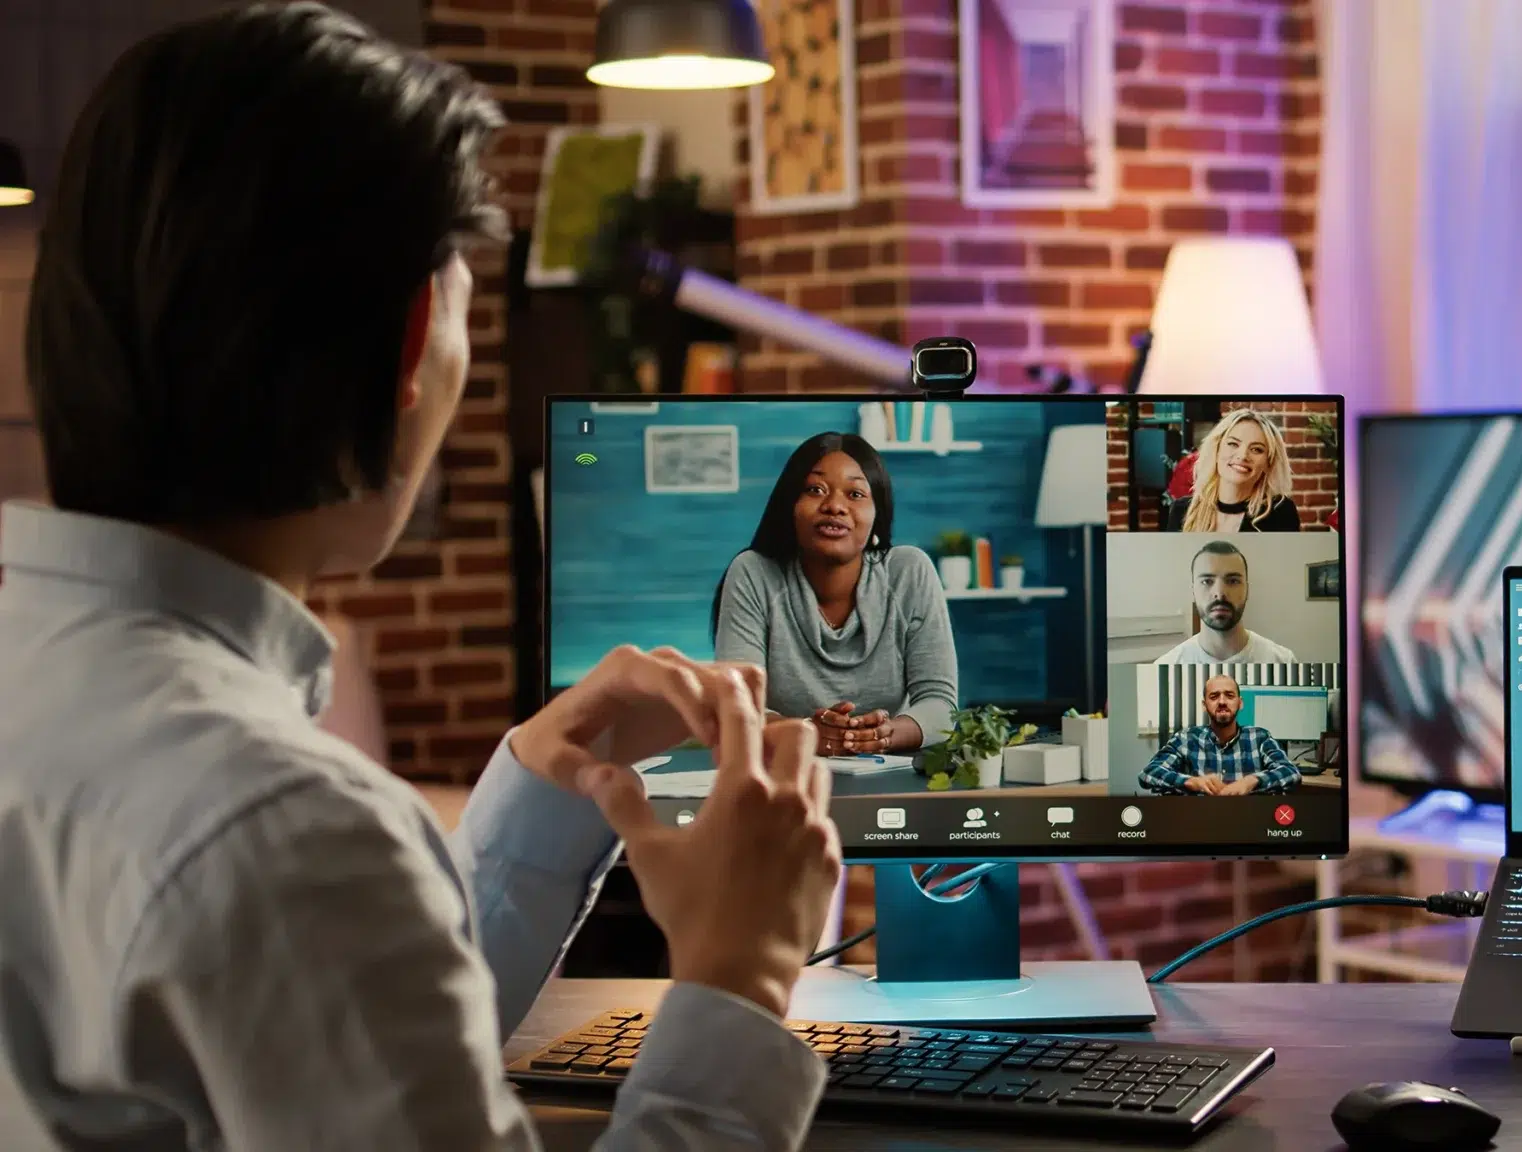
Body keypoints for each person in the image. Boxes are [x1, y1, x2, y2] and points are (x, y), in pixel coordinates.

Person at [0, 5, 840, 1149]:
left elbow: (335, 1062)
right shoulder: (286, 826)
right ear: (412, 346)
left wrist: (537, 808)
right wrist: (743, 972)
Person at [713, 431, 960, 756]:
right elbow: (736, 709)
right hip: (784, 778)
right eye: (815, 490)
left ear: (877, 515)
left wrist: (882, 735)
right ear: (791, 506)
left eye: (856, 493)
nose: (834, 506)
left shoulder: (908, 572)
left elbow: (940, 705)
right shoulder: (754, 572)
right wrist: (804, 735)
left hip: (887, 780)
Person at [1138, 674, 1301, 795]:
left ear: (1240, 702)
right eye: (1214, 696)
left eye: (1229, 695)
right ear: (1204, 705)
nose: (1222, 701)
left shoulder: (1260, 737)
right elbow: (1149, 773)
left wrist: (1251, 781)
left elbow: (1291, 772)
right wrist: (1191, 782)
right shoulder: (1186, 739)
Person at [1155, 540, 1299, 663]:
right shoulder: (1167, 665)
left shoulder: (1283, 661)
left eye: (1233, 581)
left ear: (1247, 589)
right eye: (1207, 581)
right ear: (1193, 591)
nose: (1220, 593)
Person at [1165, 409, 1301, 532]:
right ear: (1216, 450)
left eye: (1256, 449)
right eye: (1233, 444)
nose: (1242, 455)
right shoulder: (1182, 510)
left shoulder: (1280, 511)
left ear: (1268, 463)